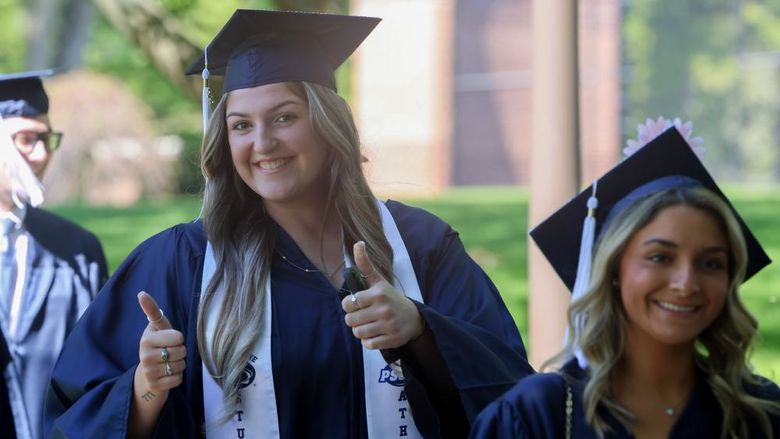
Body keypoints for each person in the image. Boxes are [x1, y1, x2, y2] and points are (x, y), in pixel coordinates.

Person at [45, 9, 534, 439]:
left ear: (328, 124)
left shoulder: (419, 246)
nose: (262, 142)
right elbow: (71, 417)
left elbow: (513, 397)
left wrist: (422, 331)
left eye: (283, 117)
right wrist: (143, 390)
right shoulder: (182, 263)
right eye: (240, 125)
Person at [470, 118, 780, 438]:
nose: (686, 283)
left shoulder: (760, 413)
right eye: (660, 257)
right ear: (614, 269)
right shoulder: (537, 415)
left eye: (711, 263)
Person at [0, 72, 108, 439]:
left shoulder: (78, 249)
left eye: (47, 139)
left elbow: (100, 372)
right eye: (26, 140)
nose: (42, 154)